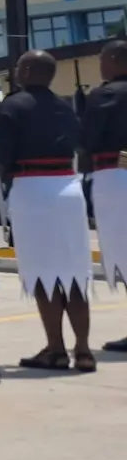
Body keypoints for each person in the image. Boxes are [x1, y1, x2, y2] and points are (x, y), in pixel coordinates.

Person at [0, 50, 94, 371]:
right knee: (75, 272)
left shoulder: (11, 105)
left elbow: (1, 156)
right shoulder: (66, 106)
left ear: (24, 70)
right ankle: (83, 349)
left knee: (42, 273)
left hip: (31, 187)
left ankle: (55, 348)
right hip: (67, 186)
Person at [82, 39, 127, 353]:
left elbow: (86, 140)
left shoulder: (104, 95)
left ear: (114, 61)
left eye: (102, 60)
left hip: (115, 175)